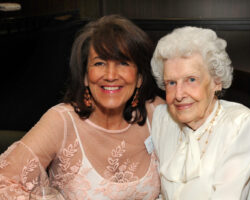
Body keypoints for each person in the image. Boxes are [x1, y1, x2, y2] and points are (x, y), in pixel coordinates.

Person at [0, 15, 164, 199]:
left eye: (123, 63)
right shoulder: (61, 121)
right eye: (100, 63)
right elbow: (4, 181)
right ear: (86, 76)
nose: (110, 75)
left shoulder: (156, 112)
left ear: (139, 78)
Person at [150, 26, 250, 199]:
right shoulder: (162, 119)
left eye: (191, 79)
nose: (179, 95)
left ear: (216, 82)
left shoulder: (242, 126)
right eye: (171, 83)